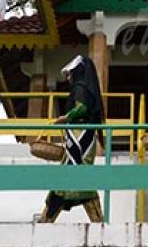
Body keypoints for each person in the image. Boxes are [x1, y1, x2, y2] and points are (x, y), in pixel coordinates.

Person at [38, 55, 104, 223]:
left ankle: (46, 221)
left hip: (79, 137)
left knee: (72, 175)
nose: (67, 78)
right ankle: (98, 222)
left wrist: (66, 118)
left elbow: (81, 108)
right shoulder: (86, 88)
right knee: (77, 177)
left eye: (69, 74)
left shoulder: (80, 88)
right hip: (81, 137)